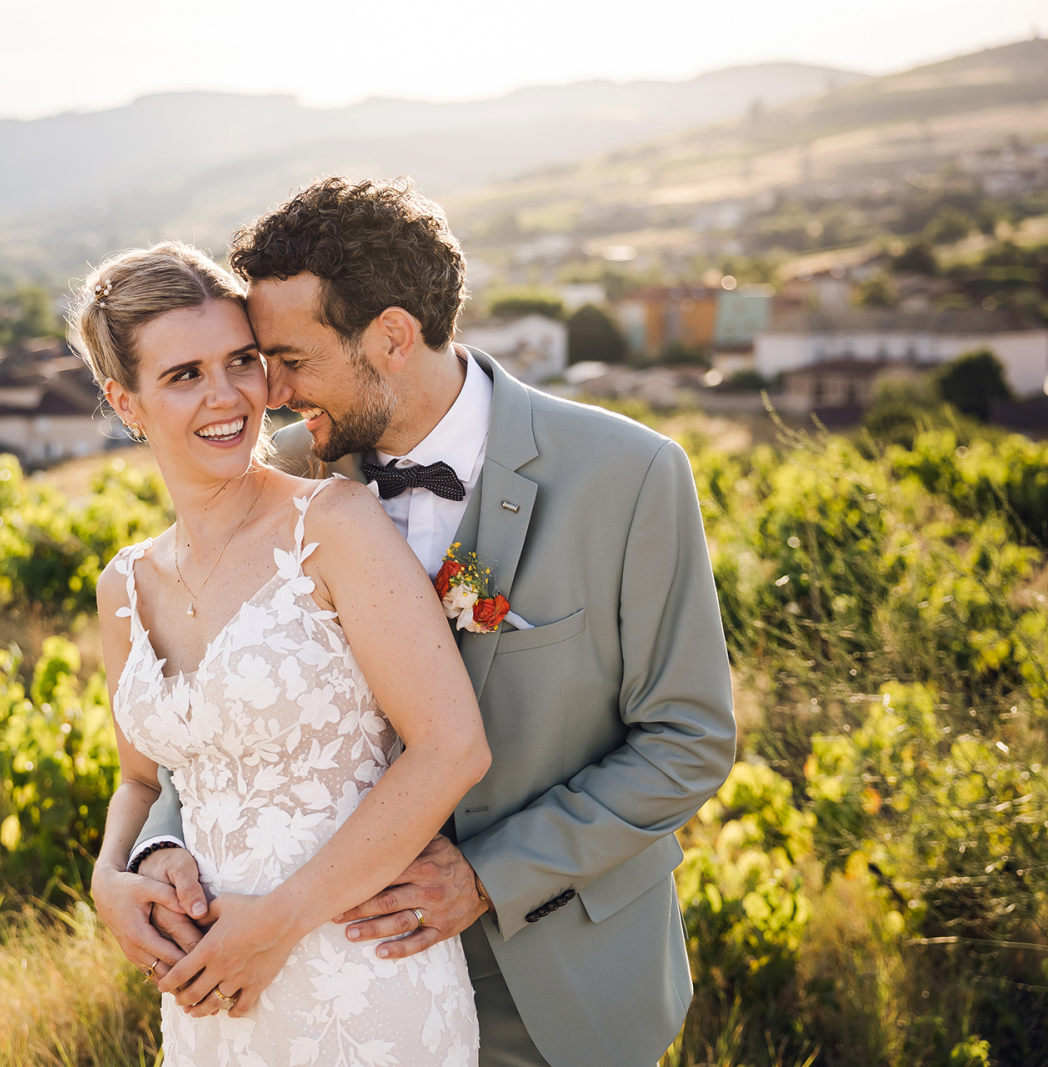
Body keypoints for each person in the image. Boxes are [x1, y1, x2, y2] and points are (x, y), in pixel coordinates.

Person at [107, 178, 738, 1067]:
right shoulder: (287, 486)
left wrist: (489, 875)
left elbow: (688, 740)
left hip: (562, 983)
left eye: (287, 357)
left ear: (393, 337)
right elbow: (227, 705)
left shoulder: (628, 475)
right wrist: (159, 840)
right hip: (339, 981)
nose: (271, 394)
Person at [82, 241, 491, 1066]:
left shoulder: (332, 523)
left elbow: (453, 748)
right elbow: (142, 779)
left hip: (366, 983)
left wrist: (279, 922)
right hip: (212, 1004)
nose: (228, 395)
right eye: (184, 374)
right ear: (126, 401)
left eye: (242, 360)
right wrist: (107, 876)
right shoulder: (125, 585)